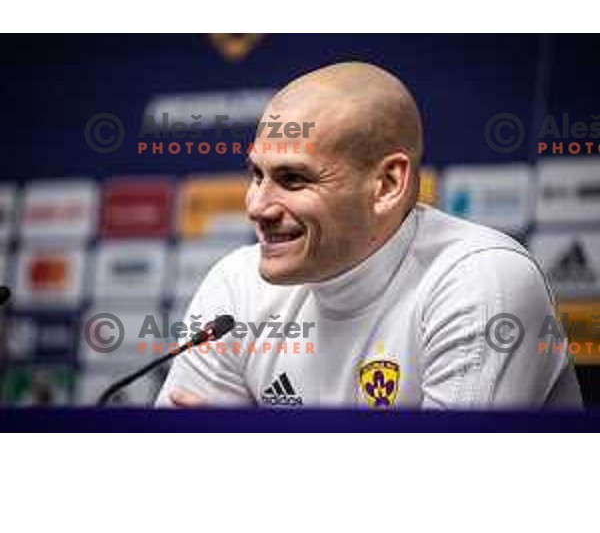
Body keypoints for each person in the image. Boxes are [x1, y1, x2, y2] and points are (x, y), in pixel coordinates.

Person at [156, 62, 582, 409]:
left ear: (386, 185)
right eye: (256, 175)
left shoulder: (483, 280)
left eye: (293, 178)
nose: (257, 206)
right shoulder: (237, 283)